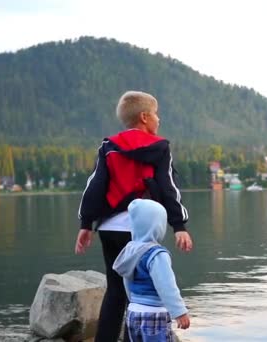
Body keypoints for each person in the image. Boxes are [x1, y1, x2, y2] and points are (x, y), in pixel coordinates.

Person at [75, 90, 192, 342]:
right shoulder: (160, 148)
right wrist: (179, 225)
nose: (159, 120)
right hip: (142, 230)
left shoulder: (108, 146)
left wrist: (86, 224)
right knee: (139, 294)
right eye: (156, 114)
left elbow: (95, 186)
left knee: (115, 291)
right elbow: (168, 187)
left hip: (110, 229)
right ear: (144, 117)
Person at [113, 199, 190, 341]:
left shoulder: (130, 249)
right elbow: (166, 286)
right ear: (157, 226)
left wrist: (134, 301)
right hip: (154, 314)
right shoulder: (157, 254)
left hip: (133, 312)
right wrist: (179, 311)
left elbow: (126, 279)